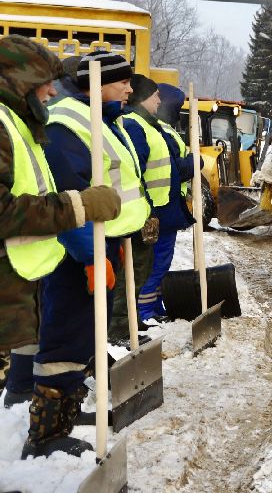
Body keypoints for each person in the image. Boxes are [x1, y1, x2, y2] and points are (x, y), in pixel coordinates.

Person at [19, 50, 149, 458]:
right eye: (122, 80)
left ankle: (66, 411)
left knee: (83, 333)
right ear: (98, 83)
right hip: (77, 252)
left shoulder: (105, 122)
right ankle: (46, 434)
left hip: (102, 245)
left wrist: (116, 242)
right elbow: (66, 200)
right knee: (65, 336)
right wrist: (90, 256)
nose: (130, 88)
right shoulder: (67, 125)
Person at [0, 37, 121, 458]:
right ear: (19, 79)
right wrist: (80, 207)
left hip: (24, 274)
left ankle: (44, 434)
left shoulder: (18, 123)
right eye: (44, 82)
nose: (53, 91)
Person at [120, 79, 195, 326]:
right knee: (151, 265)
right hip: (154, 211)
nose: (159, 101)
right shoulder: (137, 126)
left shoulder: (154, 127)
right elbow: (136, 171)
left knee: (159, 263)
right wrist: (195, 165)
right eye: (155, 96)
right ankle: (143, 312)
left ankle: (152, 307)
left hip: (165, 209)